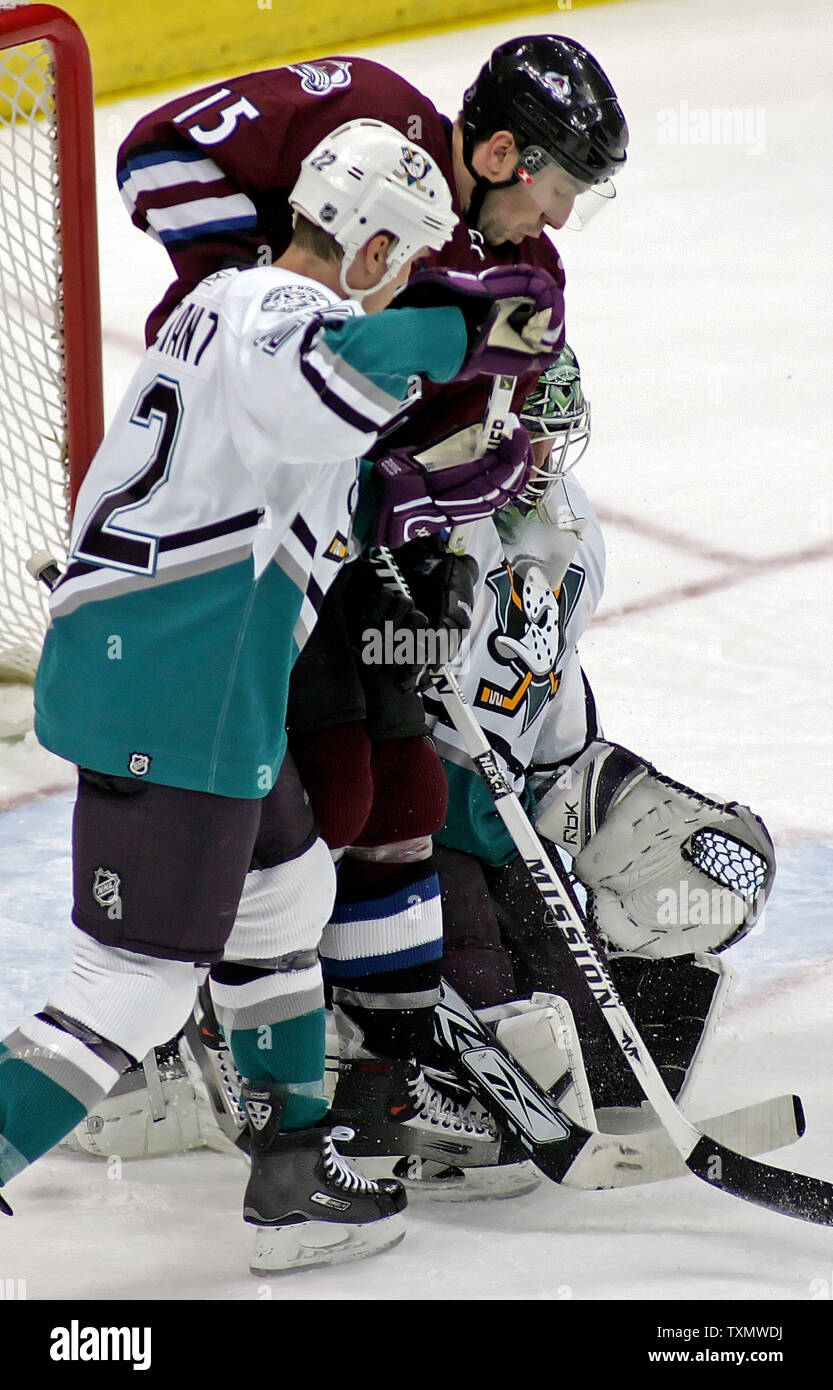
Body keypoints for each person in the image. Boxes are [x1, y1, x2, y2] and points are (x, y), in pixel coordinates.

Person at [0, 119, 564, 1270]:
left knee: (283, 893)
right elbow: (326, 380)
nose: (395, 281)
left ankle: (297, 1171)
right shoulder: (286, 322)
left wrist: (417, 493)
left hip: (182, 669)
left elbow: (295, 479)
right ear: (364, 249)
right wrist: (464, 327)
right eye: (397, 258)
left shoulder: (230, 303)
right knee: (135, 989)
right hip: (176, 684)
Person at [115, 33, 628, 1182]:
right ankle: (212, 1030)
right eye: (553, 185)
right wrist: (252, 298)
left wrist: (445, 484)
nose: (555, 215)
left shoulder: (525, 275)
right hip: (241, 529)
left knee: (396, 786)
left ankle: (386, 1053)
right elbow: (154, 153)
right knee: (295, 798)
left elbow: (473, 432)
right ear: (497, 148)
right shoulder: (361, 122)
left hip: (361, 548)